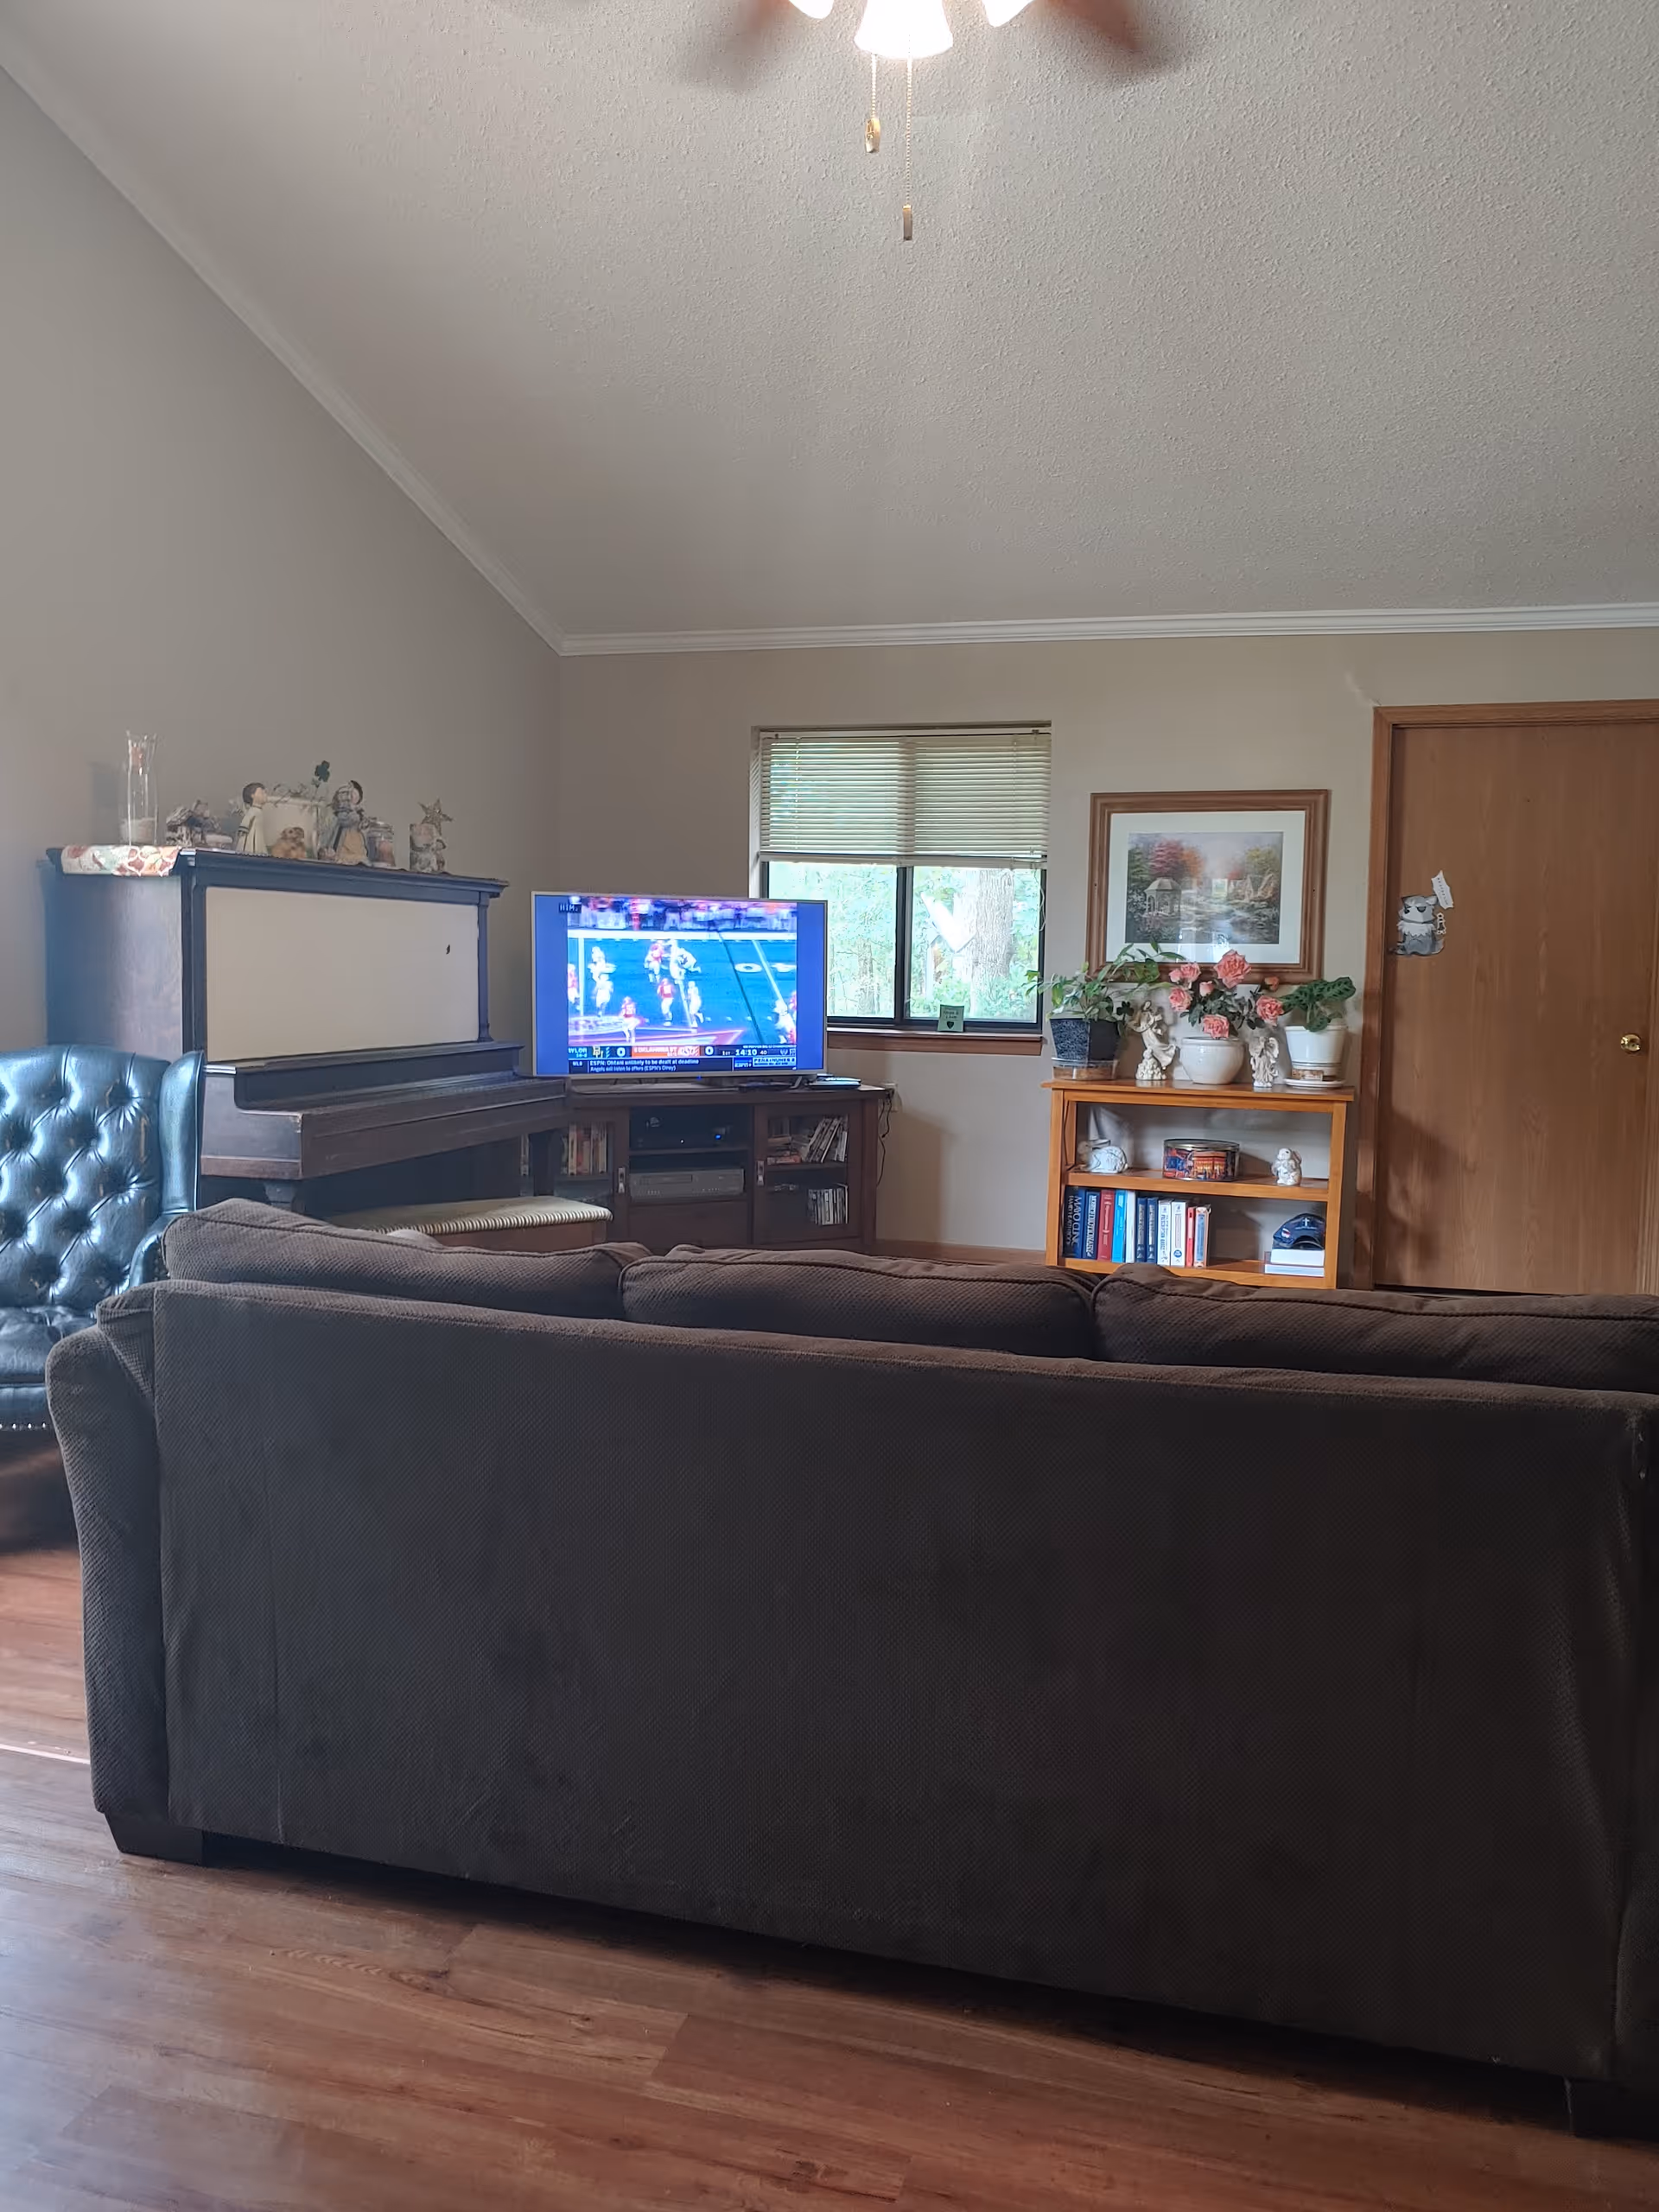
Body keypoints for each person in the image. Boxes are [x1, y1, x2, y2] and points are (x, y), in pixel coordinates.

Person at [236, 783, 268, 855]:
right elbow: (246, 820)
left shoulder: (258, 811)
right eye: (261, 793)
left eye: (265, 793)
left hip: (258, 836)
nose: (265, 795)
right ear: (252, 795)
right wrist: (243, 829)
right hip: (251, 838)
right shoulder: (253, 811)